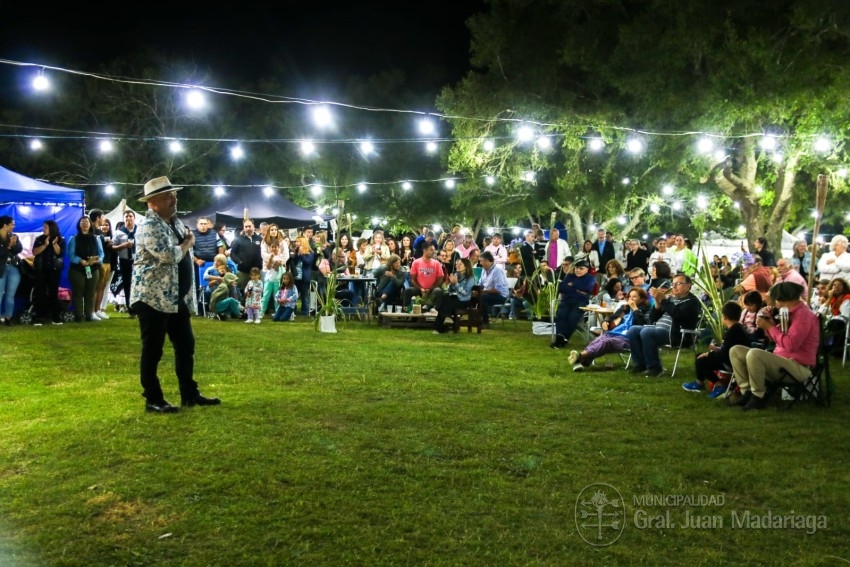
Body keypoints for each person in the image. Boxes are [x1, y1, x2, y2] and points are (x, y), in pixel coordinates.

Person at [130, 176, 220, 414]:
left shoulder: (174, 222)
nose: (174, 198)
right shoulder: (149, 225)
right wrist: (188, 243)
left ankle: (189, 393)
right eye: (168, 195)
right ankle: (153, 398)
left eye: (174, 194)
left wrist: (187, 242)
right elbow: (169, 255)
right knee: (153, 349)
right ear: (152, 202)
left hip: (173, 297)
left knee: (185, 344)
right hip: (152, 298)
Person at [728, 282, 820, 410]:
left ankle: (758, 396)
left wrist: (769, 327)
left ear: (783, 298)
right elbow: (777, 340)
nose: (773, 302)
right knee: (736, 351)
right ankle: (747, 391)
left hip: (797, 366)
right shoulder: (788, 313)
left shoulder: (803, 316)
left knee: (755, 354)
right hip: (782, 362)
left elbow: (790, 345)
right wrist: (769, 324)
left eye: (775, 299)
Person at [626, 273, 702, 376]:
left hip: (677, 335)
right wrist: (658, 303)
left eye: (678, 283)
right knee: (633, 330)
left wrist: (663, 300)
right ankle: (641, 365)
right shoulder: (671, 299)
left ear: (689, 286)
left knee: (647, 332)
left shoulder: (692, 302)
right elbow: (652, 319)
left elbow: (677, 315)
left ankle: (654, 368)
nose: (674, 286)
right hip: (658, 329)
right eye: (673, 283)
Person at [568, 287, 651, 371]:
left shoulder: (646, 311)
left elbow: (642, 324)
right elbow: (612, 316)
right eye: (630, 296)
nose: (631, 299)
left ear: (642, 299)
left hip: (627, 338)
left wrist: (635, 309)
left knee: (607, 342)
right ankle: (583, 360)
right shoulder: (625, 307)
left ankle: (580, 357)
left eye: (634, 297)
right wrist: (606, 321)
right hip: (614, 333)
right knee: (599, 340)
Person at [681, 301, 748, 396]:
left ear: (724, 317)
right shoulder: (738, 328)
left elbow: (725, 354)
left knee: (701, 360)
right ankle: (699, 382)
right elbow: (728, 348)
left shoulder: (733, 331)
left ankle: (719, 385)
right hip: (732, 358)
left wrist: (710, 354)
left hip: (732, 362)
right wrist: (716, 349)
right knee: (699, 356)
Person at [550, 259, 596, 348]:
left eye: (581, 269)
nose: (578, 270)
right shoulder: (570, 276)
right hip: (567, 301)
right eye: (576, 268)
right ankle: (560, 336)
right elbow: (562, 288)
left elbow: (587, 289)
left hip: (581, 302)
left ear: (587, 269)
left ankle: (563, 338)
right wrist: (578, 290)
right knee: (560, 314)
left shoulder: (590, 278)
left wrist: (571, 286)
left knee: (573, 317)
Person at [67, 216, 104, 322]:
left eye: (87, 221)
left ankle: (89, 314)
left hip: (93, 269)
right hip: (77, 269)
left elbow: (101, 254)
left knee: (91, 292)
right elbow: (70, 254)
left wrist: (97, 260)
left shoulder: (96, 238)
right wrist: (79, 260)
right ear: (79, 225)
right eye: (82, 222)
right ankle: (79, 315)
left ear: (90, 224)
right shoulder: (74, 238)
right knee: (78, 292)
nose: (85, 223)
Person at [30, 220, 66, 325]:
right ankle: (38, 317)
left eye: (45, 227)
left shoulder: (60, 239)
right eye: (43, 227)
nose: (43, 229)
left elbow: (60, 253)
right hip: (41, 269)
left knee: (53, 292)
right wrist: (45, 245)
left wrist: (54, 244)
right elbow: (35, 252)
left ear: (52, 228)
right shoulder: (39, 239)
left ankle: (55, 317)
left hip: (54, 270)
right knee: (40, 292)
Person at [432, 257, 476, 334]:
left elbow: (465, 292)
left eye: (460, 264)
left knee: (443, 304)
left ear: (466, 266)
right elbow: (450, 290)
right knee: (445, 296)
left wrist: (456, 284)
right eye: (456, 264)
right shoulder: (456, 274)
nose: (457, 266)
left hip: (463, 300)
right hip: (453, 298)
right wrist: (451, 284)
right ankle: (447, 319)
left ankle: (439, 327)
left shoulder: (470, 278)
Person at [403, 241, 446, 309]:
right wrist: (420, 289)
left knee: (438, 291)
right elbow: (412, 279)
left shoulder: (437, 263)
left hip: (432, 289)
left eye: (434, 250)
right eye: (431, 250)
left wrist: (430, 288)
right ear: (424, 250)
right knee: (408, 291)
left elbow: (440, 279)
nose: (433, 252)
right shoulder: (416, 262)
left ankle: (437, 313)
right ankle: (405, 311)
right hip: (419, 289)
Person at [112, 210, 138, 317]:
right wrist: (123, 246)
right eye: (126, 216)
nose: (128, 218)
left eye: (130, 216)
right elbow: (112, 247)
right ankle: (130, 309)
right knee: (127, 285)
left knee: (138, 285)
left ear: (134, 218)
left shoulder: (139, 230)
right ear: (123, 219)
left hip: (138, 261)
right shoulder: (119, 232)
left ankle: (139, 308)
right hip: (125, 261)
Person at [0, 215, 23, 326]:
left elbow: (19, 249)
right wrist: (8, 246)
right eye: (12, 224)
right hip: (1, 269)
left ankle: (8, 317)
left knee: (10, 294)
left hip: (13, 268)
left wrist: (13, 245)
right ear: (5, 225)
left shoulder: (14, 236)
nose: (13, 226)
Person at [477, 250, 509, 328]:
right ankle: (476, 320)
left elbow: (498, 290)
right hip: (488, 294)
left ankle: (485, 322)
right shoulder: (483, 270)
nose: (480, 263)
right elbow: (480, 284)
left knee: (483, 297)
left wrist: (483, 291)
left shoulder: (497, 271)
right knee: (476, 296)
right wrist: (476, 290)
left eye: (481, 261)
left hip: (501, 296)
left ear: (487, 261)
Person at [94, 217, 117, 320]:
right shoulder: (97, 234)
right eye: (103, 224)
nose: (104, 226)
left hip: (109, 264)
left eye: (107, 225)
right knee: (97, 287)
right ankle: (94, 310)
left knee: (104, 287)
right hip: (100, 263)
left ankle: (100, 309)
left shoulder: (111, 237)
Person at [822, 277, 850, 356]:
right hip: (833, 321)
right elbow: (823, 311)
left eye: (839, 285)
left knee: (836, 323)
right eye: (834, 285)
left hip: (844, 323)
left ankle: (837, 350)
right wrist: (830, 297)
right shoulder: (833, 298)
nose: (836, 287)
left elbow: (845, 315)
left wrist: (832, 317)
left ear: (844, 287)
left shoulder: (847, 298)